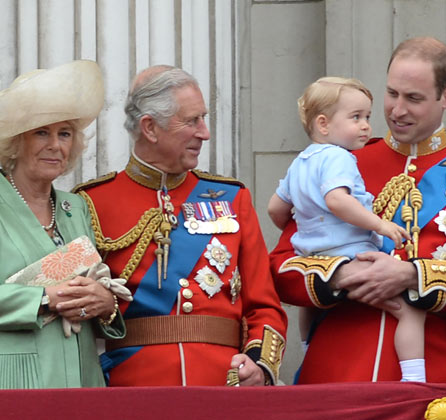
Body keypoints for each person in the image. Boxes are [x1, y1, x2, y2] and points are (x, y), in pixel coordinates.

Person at [270, 37, 446, 384]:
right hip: (334, 372)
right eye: (392, 94)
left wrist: (412, 276)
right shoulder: (341, 161)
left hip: (430, 377)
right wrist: (340, 276)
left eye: (414, 98)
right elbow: (281, 267)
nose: (397, 111)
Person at [74, 65, 287, 386]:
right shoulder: (90, 202)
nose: (205, 132)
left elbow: (264, 304)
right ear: (150, 128)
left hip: (222, 382)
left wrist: (259, 365)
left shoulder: (232, 197)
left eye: (203, 118)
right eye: (192, 121)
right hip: (131, 386)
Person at [267, 77, 424, 382]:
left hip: (312, 256)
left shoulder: (301, 160)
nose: (366, 125)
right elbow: (338, 201)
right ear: (323, 124)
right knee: (409, 309)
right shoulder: (339, 157)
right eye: (356, 118)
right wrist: (380, 223)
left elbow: (276, 208)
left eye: (367, 117)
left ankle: (308, 345)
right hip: (352, 253)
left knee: (310, 304)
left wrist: (308, 231)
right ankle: (415, 378)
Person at [0, 60, 126, 389]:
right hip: (17, 382)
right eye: (42, 132)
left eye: (64, 133)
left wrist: (105, 302)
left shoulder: (76, 206)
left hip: (82, 380)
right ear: (15, 140)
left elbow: (93, 291)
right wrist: (45, 299)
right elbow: (53, 298)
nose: (56, 145)